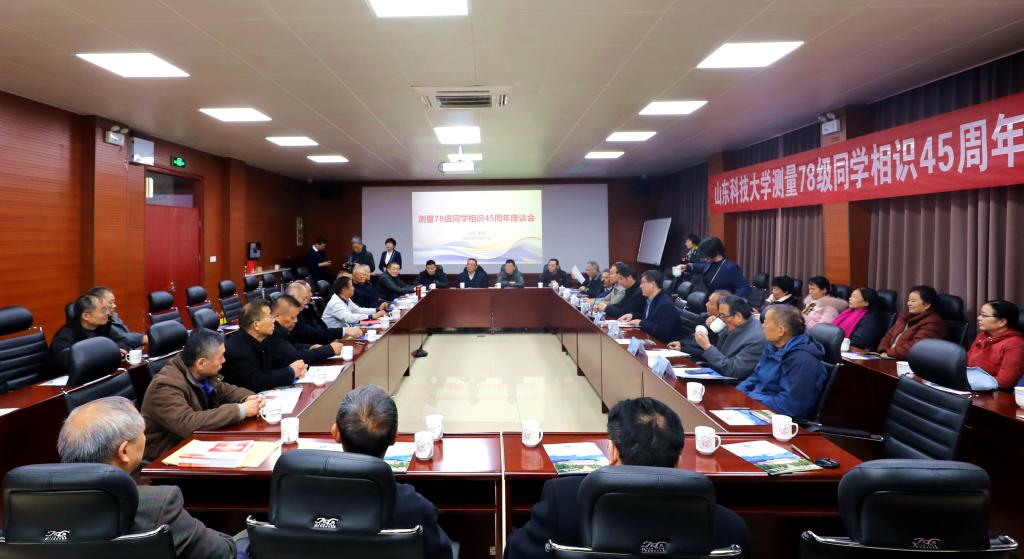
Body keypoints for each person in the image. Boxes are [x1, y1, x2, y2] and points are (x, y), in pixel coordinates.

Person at [505, 397, 751, 559]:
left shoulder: (565, 501)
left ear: (612, 451)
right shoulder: (728, 528)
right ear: (678, 458)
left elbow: (515, 552)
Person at [58, 397, 241, 559]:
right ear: (124, 452)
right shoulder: (157, 505)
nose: (145, 437)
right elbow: (222, 553)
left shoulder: (44, 508)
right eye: (143, 432)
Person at [329, 385, 454, 559]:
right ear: (395, 436)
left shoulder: (303, 497)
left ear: (335, 432)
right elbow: (443, 553)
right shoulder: (415, 508)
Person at [141, 328, 261, 462]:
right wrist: (241, 410)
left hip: (196, 443)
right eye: (220, 356)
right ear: (201, 363)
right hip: (166, 456)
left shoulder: (199, 372)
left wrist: (251, 398)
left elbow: (225, 390)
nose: (224, 360)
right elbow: (187, 424)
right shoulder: (165, 385)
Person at [737, 304, 827, 421]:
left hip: (779, 418)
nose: (762, 326)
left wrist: (750, 399)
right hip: (757, 406)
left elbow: (789, 406)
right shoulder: (772, 346)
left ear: (780, 330)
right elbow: (755, 376)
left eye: (765, 323)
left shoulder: (803, 360)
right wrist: (738, 393)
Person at [221, 300, 307, 392]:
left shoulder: (263, 339)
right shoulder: (237, 349)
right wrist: (291, 372)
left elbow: (277, 362)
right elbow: (255, 382)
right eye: (270, 317)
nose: (274, 320)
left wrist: (298, 368)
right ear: (256, 325)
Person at [51, 294, 131, 370]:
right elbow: (68, 360)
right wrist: (105, 352)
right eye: (103, 310)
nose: (107, 313)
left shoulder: (104, 326)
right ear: (86, 316)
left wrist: (113, 350)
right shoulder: (65, 335)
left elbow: (124, 343)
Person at [692, 296, 765, 380]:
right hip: (713, 372)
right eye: (720, 315)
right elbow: (718, 352)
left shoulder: (756, 339)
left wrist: (707, 346)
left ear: (738, 316)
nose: (721, 319)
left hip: (729, 383)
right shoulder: (733, 324)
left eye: (722, 315)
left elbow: (734, 371)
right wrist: (710, 328)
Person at [267, 295, 342, 368]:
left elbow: (291, 346)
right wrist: (329, 350)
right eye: (292, 317)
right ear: (277, 316)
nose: (296, 321)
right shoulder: (272, 332)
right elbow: (295, 357)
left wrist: (310, 347)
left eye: (296, 317)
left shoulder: (280, 329)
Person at [877, 285, 947, 360]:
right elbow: (889, 335)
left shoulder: (933, 322)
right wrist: (883, 350)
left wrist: (888, 353)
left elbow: (917, 347)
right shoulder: (904, 317)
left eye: (913, 301)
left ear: (927, 305)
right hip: (889, 357)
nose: (909, 303)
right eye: (909, 300)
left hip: (909, 362)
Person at [968, 300, 1024, 388]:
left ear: (1002, 322)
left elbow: (1005, 382)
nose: (979, 318)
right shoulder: (982, 336)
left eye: (984, 316)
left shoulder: (1015, 344)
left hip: (996, 392)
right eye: (980, 314)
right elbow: (967, 362)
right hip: (971, 384)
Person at [618, 270, 682, 343]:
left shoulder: (666, 305)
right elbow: (649, 318)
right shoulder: (651, 299)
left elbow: (662, 331)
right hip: (651, 338)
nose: (640, 286)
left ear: (652, 284)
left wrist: (641, 322)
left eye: (643, 282)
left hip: (664, 344)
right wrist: (632, 315)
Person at [671, 289, 732, 359]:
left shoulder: (725, 329)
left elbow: (711, 354)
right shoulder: (705, 317)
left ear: (721, 309)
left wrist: (683, 350)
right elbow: (692, 338)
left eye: (710, 303)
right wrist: (680, 343)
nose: (706, 304)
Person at [685, 237, 750, 298]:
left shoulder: (730, 268)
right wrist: (686, 267)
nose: (704, 258)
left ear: (715, 252)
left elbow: (745, 288)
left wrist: (732, 301)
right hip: (708, 300)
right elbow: (700, 267)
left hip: (721, 303)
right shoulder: (710, 263)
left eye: (706, 255)